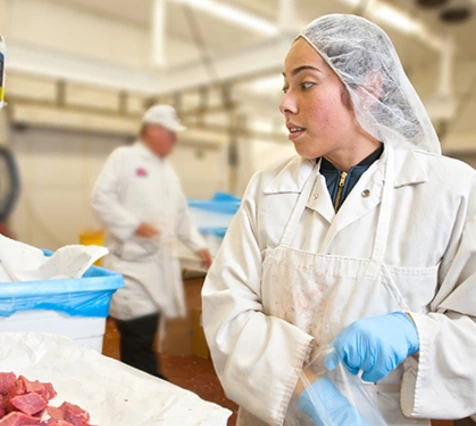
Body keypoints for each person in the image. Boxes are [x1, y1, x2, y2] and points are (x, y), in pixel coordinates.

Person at [202, 14, 476, 426]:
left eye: (305, 84)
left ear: (368, 87)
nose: (285, 102)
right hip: (275, 415)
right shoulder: (269, 189)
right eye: (285, 86)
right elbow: (228, 308)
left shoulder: (449, 190)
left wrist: (414, 332)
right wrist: (312, 391)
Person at [91, 104, 212, 379]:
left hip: (157, 271)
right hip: (131, 271)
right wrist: (135, 225)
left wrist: (198, 245)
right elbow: (101, 198)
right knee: (137, 339)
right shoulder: (124, 158)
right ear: (153, 130)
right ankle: (150, 387)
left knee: (143, 338)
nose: (174, 140)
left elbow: (180, 215)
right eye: (170, 134)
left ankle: (141, 386)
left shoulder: (166, 172)